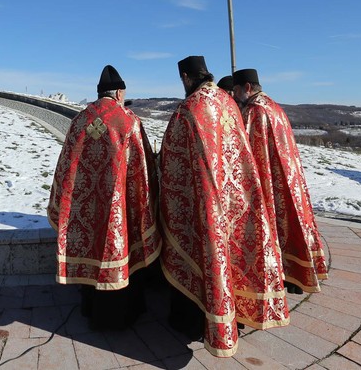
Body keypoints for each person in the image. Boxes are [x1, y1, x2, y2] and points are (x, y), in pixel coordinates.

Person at [159, 56, 288, 357]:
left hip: (202, 203)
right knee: (230, 259)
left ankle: (194, 321)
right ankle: (233, 313)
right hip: (235, 200)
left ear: (187, 78)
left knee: (203, 257)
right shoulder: (230, 103)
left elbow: (171, 162)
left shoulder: (187, 109)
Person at [47, 65, 160, 329]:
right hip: (119, 207)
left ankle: (90, 306)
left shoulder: (79, 121)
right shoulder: (129, 121)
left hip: (84, 206)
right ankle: (123, 314)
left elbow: (64, 167)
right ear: (119, 93)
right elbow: (143, 170)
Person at [232, 69, 328, 294]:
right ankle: (296, 276)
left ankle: (277, 275)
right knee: (291, 224)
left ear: (247, 88)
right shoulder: (276, 107)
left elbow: (245, 152)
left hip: (268, 180)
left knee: (273, 227)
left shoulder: (254, 111)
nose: (234, 96)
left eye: (236, 91)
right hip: (287, 177)